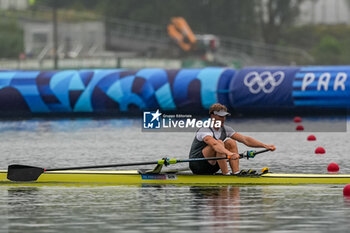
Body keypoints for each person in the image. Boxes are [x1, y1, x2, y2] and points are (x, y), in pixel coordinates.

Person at [189, 103, 275, 175]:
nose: (223, 119)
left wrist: (265, 146)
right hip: (198, 165)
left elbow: (245, 139)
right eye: (220, 116)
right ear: (212, 116)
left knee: (231, 142)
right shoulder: (204, 130)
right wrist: (229, 153)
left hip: (214, 166)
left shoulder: (226, 129)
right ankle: (226, 174)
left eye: (224, 116)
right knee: (219, 142)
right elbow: (214, 145)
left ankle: (235, 173)